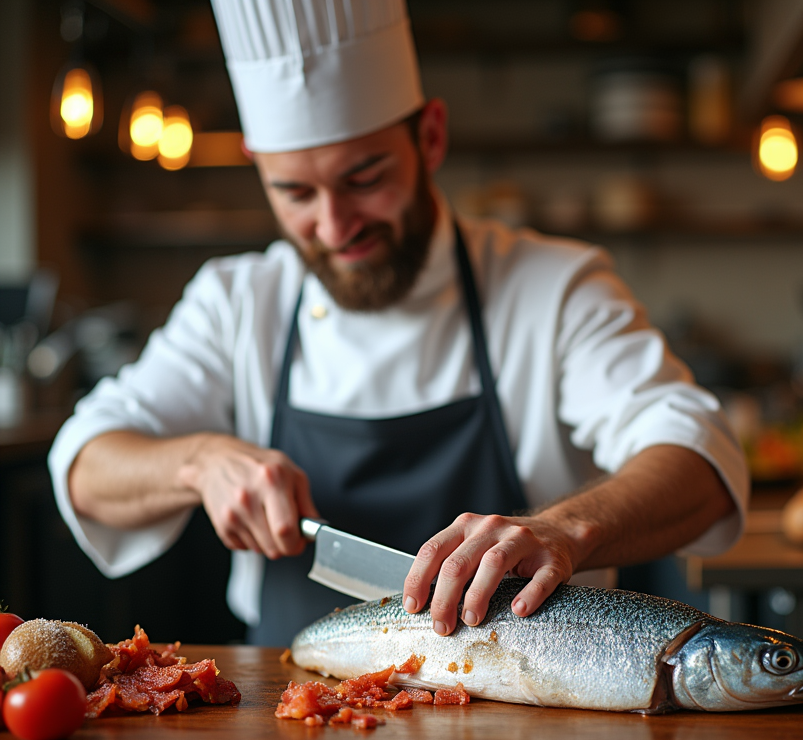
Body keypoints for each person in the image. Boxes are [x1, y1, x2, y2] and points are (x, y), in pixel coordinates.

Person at [48, 0, 749, 646]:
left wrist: (562, 529)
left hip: (531, 715)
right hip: (296, 715)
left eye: (365, 178)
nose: (332, 225)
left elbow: (699, 457)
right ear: (259, 170)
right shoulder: (239, 300)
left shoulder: (554, 287)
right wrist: (198, 462)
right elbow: (83, 460)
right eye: (294, 192)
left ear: (431, 137)